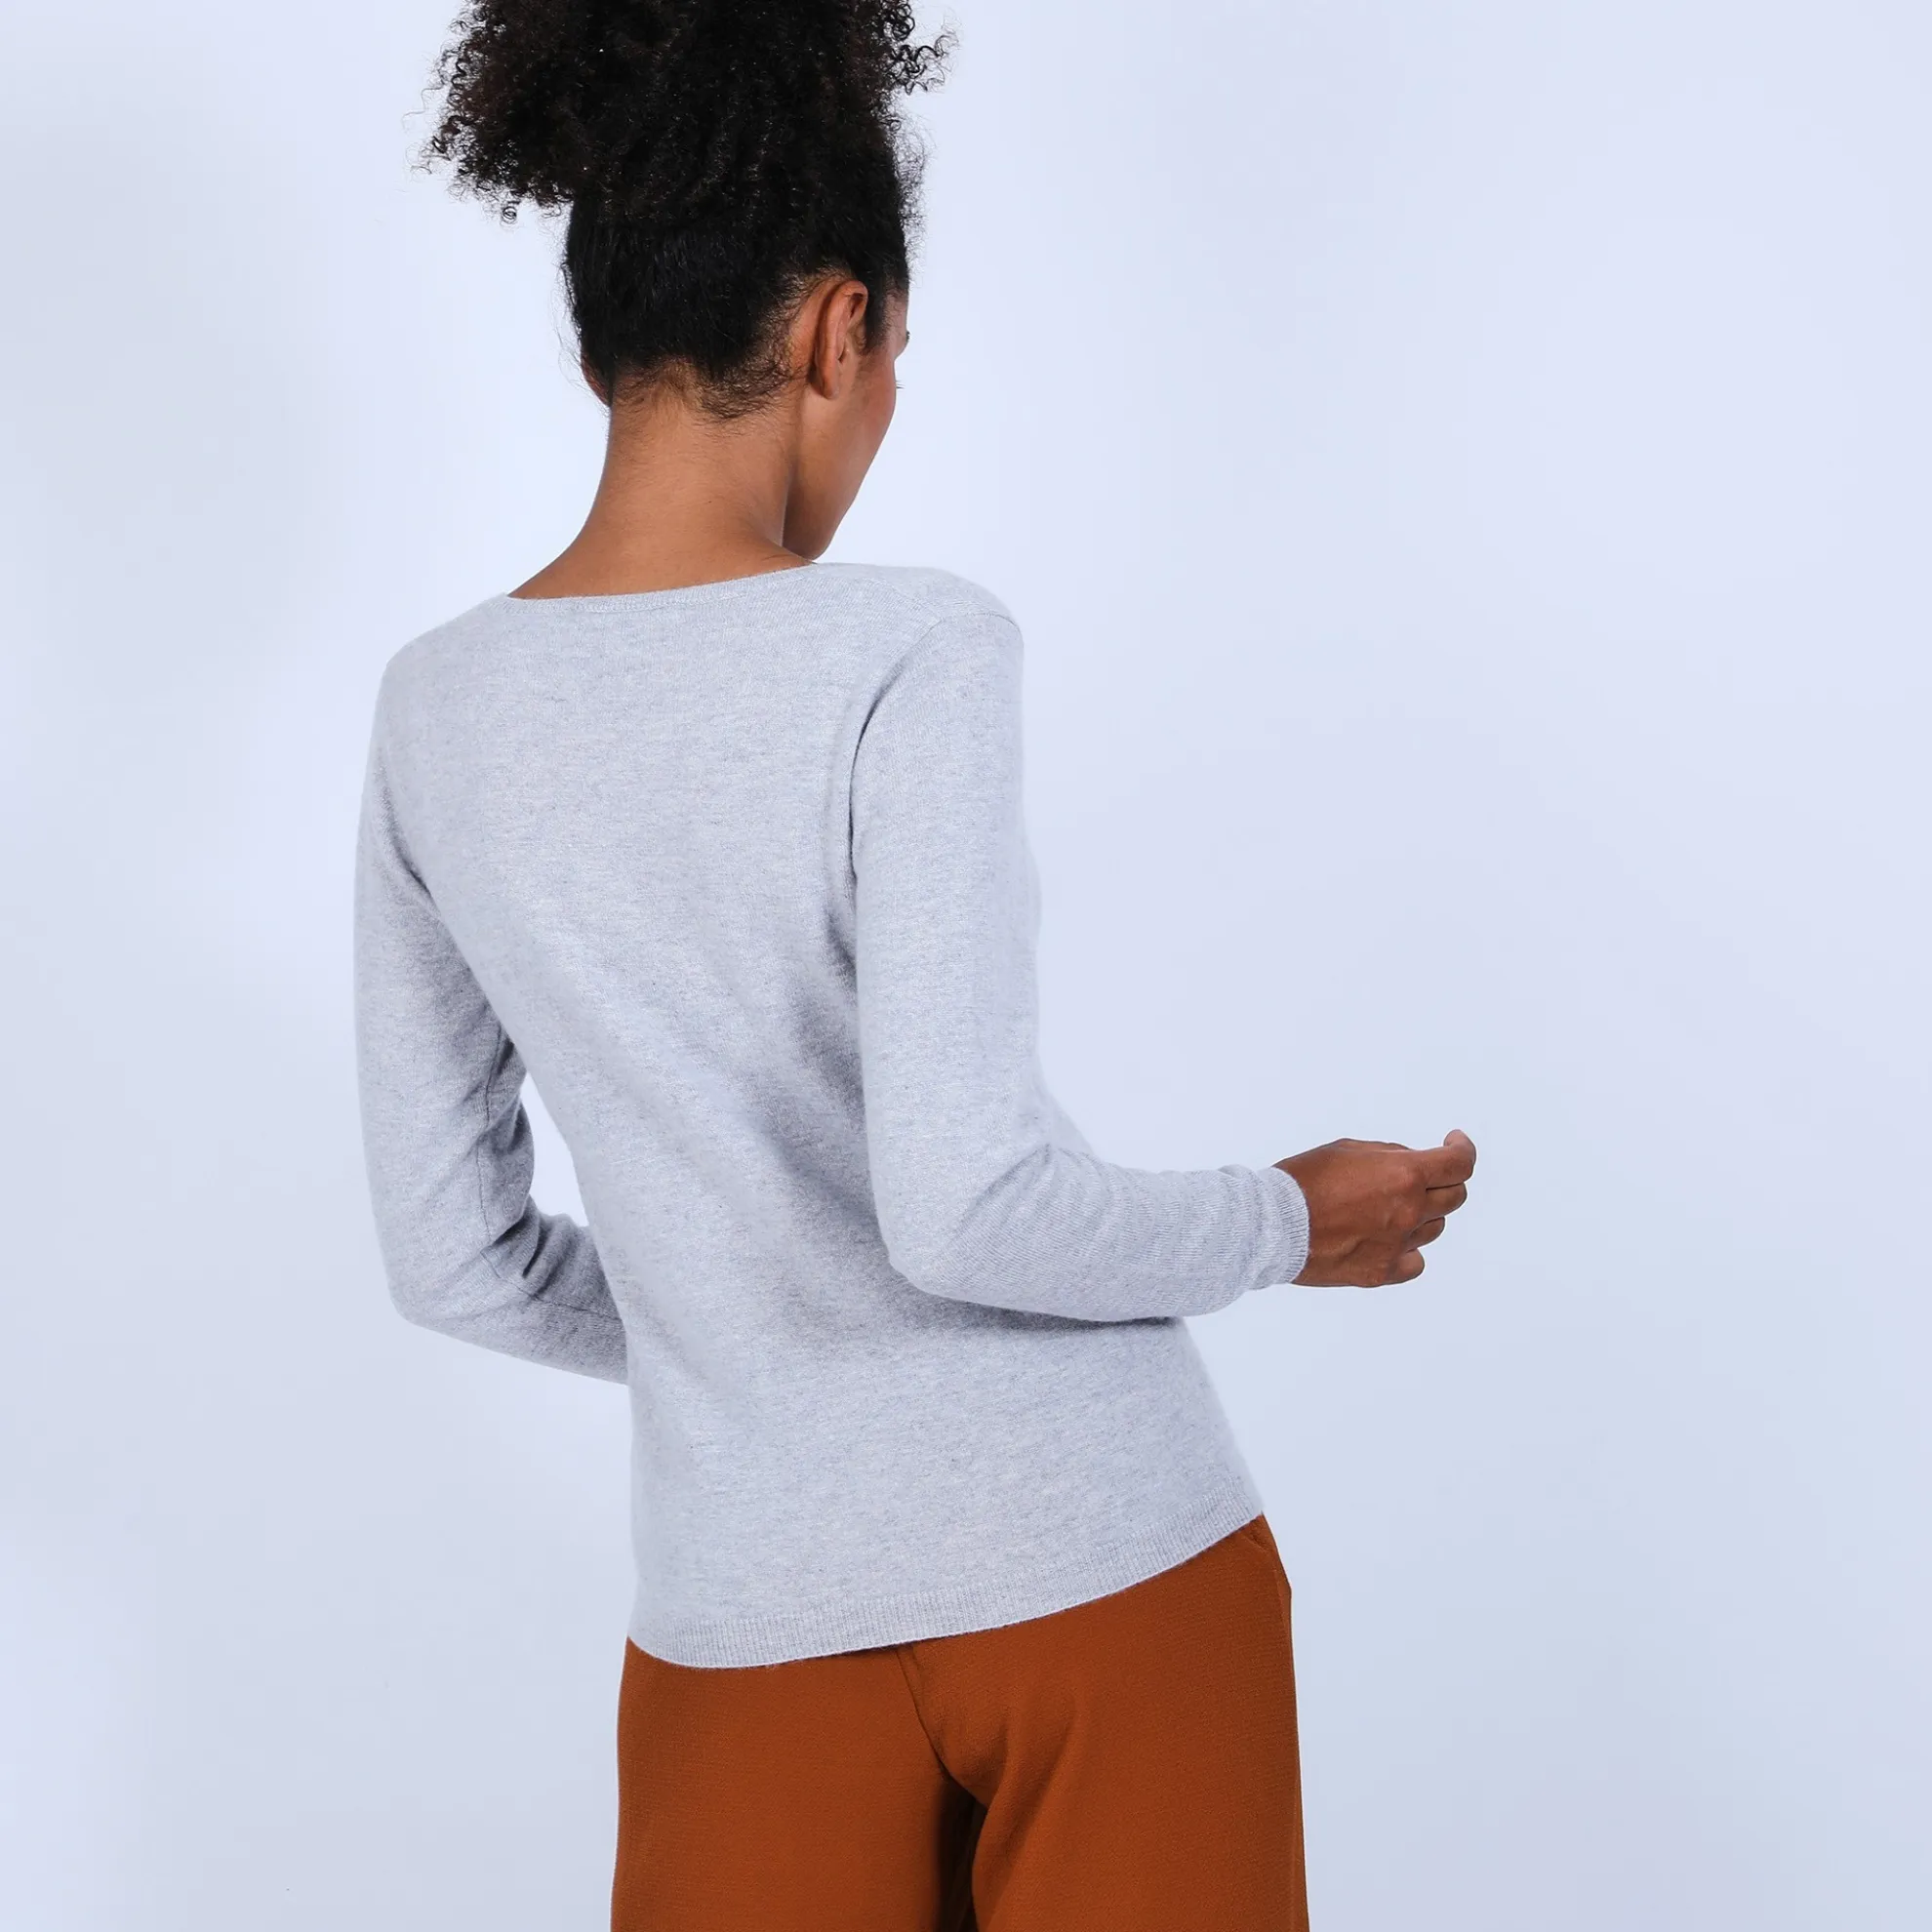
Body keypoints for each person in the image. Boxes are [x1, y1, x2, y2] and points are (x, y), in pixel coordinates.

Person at [353, 3, 1477, 1926]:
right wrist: (1291, 1218)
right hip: (1103, 1572)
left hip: (740, 1623)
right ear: (837, 332)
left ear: (599, 341)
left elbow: (452, 1261)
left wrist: (739, 1335)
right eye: (891, 371)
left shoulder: (433, 714)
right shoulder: (908, 647)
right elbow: (967, 1206)